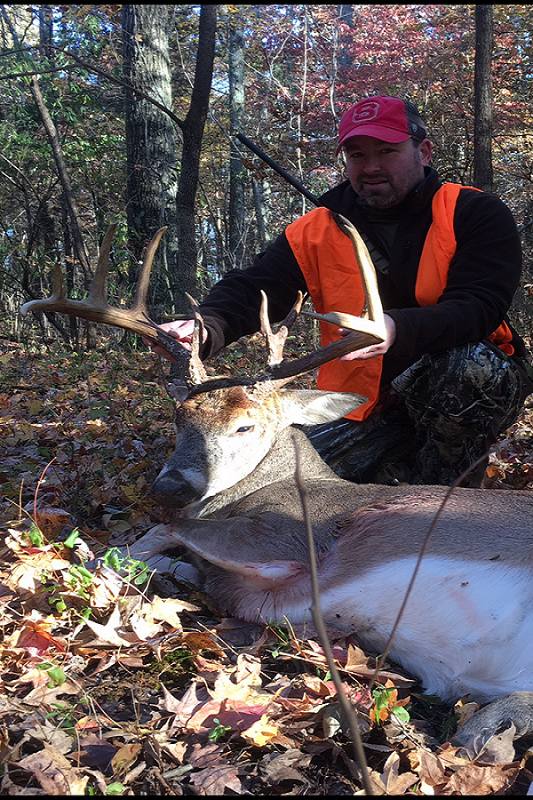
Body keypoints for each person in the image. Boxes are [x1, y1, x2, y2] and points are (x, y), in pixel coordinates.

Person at [154, 95, 533, 487]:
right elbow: (255, 287)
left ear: (422, 152)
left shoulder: (473, 212)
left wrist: (397, 327)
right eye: (356, 154)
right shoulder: (315, 228)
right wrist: (204, 329)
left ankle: (443, 490)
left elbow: (479, 306)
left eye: (387, 151)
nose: (370, 167)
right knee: (279, 485)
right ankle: (391, 463)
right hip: (362, 400)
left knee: (466, 367)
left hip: (459, 385)